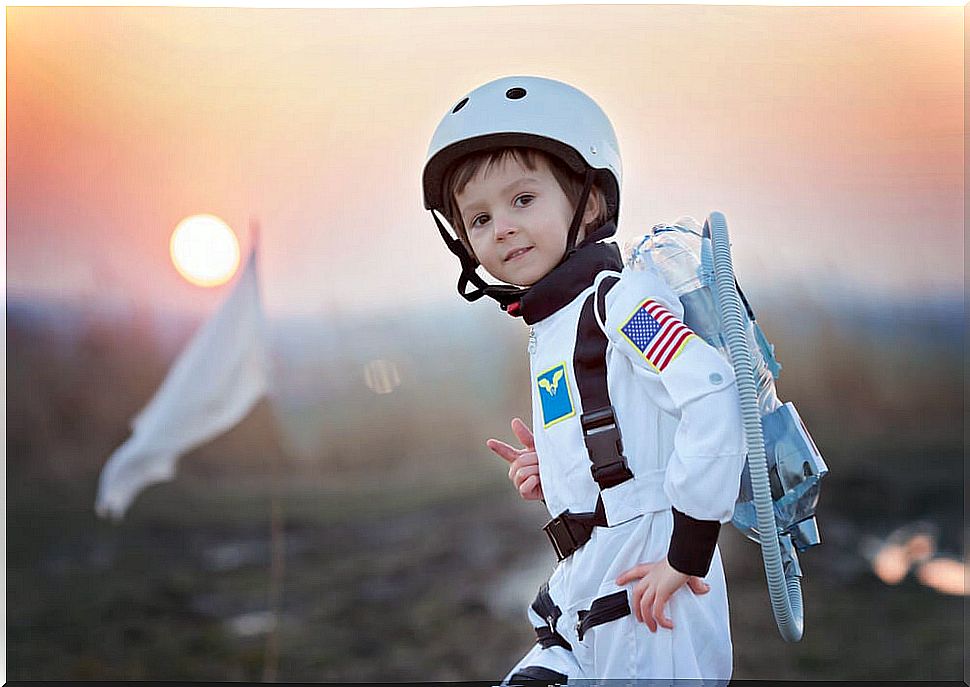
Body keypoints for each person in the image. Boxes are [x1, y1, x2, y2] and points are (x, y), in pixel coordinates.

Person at [421, 75, 745, 683]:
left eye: (523, 200)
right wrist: (560, 475)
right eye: (480, 217)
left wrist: (689, 551)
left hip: (650, 598)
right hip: (579, 594)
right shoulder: (552, 330)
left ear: (590, 202)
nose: (502, 228)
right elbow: (627, 447)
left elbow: (710, 391)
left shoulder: (619, 308)